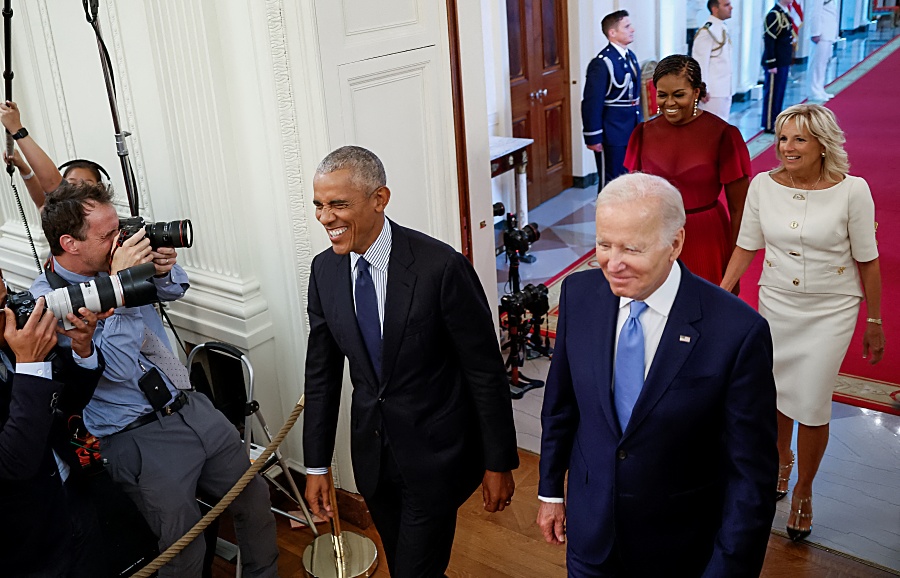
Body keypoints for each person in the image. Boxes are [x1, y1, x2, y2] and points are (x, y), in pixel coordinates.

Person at [30, 181, 279, 577]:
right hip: (137, 436)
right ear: (70, 243)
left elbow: (176, 288)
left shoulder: (114, 259)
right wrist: (120, 287)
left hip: (190, 404)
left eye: (119, 228)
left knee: (254, 499)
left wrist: (160, 269)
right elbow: (115, 369)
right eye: (108, 234)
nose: (121, 240)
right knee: (184, 549)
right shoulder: (51, 302)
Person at [536, 172, 777, 577]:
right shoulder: (579, 295)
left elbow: (750, 475)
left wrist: (728, 568)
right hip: (590, 537)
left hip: (681, 550)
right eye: (603, 244)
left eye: (631, 248)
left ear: (676, 243)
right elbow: (561, 405)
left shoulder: (737, 331)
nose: (612, 263)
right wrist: (550, 493)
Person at [303, 146, 519, 577]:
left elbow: (484, 371)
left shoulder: (441, 268)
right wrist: (315, 464)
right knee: (404, 562)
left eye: (338, 204)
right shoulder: (323, 272)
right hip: (374, 462)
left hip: (436, 460)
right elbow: (322, 377)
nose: (325, 218)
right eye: (319, 205)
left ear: (379, 198)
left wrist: (499, 461)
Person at [722, 104, 884, 542]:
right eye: (782, 138)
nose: (786, 148)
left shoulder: (853, 191)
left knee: (811, 401)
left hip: (831, 309)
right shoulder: (762, 186)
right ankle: (780, 462)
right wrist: (722, 291)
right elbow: (746, 245)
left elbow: (867, 259)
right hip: (777, 304)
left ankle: (804, 492)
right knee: (775, 392)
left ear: (822, 145)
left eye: (799, 139)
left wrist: (874, 318)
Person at [0, 280, 109, 576]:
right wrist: (31, 366)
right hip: (27, 539)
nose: (9, 311)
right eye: (1, 307)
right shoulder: (24, 349)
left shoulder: (12, 340)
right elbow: (13, 462)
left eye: (7, 294)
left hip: (74, 491)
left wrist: (82, 350)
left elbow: (67, 404)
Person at [624, 55, 750, 287]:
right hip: (657, 236)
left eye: (678, 95)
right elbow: (635, 200)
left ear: (697, 92)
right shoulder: (643, 133)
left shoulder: (723, 135)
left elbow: (740, 209)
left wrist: (733, 267)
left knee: (704, 311)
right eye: (662, 95)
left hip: (706, 236)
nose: (669, 103)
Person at [0, 100, 106, 211]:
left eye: (86, 185)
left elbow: (52, 183)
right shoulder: (56, 213)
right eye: (71, 185)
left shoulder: (98, 214)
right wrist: (23, 167)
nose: (78, 191)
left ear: (100, 188)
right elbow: (42, 201)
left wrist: (17, 129)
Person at [582, 10, 642, 189]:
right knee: (612, 183)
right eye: (627, 26)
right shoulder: (602, 62)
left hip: (630, 129)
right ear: (612, 33)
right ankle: (607, 217)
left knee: (630, 179)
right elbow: (592, 103)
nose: (632, 29)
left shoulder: (629, 56)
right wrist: (593, 137)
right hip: (612, 132)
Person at [691, 0, 734, 121]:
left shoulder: (722, 27)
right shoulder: (707, 32)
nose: (731, 7)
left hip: (724, 89)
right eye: (726, 5)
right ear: (715, 9)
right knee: (710, 130)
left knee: (723, 128)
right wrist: (703, 88)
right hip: (712, 93)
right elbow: (699, 63)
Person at [762, 0, 794, 133]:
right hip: (776, 62)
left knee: (779, 92)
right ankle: (769, 123)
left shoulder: (784, 13)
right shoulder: (774, 15)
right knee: (772, 95)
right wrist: (771, 62)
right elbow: (769, 40)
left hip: (783, 61)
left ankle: (776, 120)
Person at [807, 0, 839, 102]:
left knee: (823, 64)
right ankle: (813, 91)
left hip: (828, 31)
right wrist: (815, 32)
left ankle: (819, 88)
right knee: (817, 64)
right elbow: (815, 12)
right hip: (821, 33)